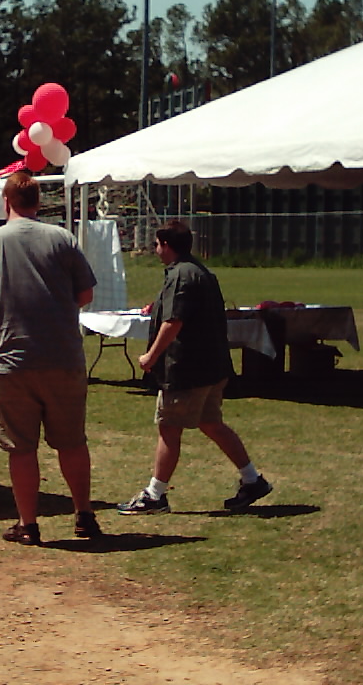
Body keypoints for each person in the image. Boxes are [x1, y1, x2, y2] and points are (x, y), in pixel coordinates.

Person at [0, 169, 100, 546]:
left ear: (6, 202)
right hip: (63, 356)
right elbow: (86, 294)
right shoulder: (63, 238)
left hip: (12, 359)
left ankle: (28, 523)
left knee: (21, 447)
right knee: (72, 441)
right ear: (39, 203)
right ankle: (84, 514)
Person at [118, 220, 272, 515]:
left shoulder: (181, 275)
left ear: (166, 245)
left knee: (169, 427)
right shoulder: (199, 271)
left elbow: (174, 321)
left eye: (157, 245)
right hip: (211, 368)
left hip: (188, 369)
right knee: (211, 423)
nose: (155, 250)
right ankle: (253, 479)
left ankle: (155, 495)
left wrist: (151, 356)